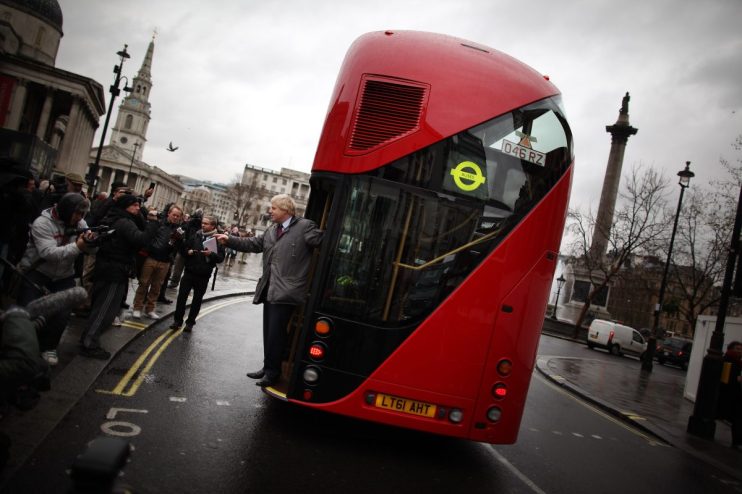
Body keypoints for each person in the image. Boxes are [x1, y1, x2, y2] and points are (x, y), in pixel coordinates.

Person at [215, 194, 323, 387]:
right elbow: (253, 244)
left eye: (273, 208)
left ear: (285, 209)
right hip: (269, 288)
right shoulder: (272, 229)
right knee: (269, 332)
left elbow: (323, 241)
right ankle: (267, 367)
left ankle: (273, 372)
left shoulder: (305, 227)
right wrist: (228, 240)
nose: (270, 211)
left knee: (276, 334)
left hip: (287, 291)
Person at [16, 193, 96, 365]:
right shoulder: (42, 224)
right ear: (66, 210)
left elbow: (89, 250)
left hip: (63, 275)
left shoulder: (80, 223)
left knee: (62, 314)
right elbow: (49, 253)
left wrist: (92, 244)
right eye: (77, 214)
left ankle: (49, 347)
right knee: (28, 312)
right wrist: (78, 246)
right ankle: (21, 350)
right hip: (38, 272)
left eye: (83, 215)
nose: (80, 219)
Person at [79, 194, 156, 359]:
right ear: (125, 206)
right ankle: (89, 343)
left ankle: (89, 340)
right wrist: (153, 224)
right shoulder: (124, 222)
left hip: (108, 267)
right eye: (134, 205)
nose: (137, 208)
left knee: (101, 307)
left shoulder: (115, 218)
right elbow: (141, 239)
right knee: (105, 309)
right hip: (114, 270)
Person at [171, 215, 224, 332]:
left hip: (203, 275)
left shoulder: (218, 239)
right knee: (181, 297)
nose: (203, 225)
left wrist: (210, 254)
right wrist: (187, 252)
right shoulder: (196, 235)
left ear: (213, 226)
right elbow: (184, 249)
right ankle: (177, 321)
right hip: (189, 271)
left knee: (197, 300)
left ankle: (190, 323)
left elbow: (220, 258)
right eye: (202, 223)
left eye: (206, 223)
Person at [131, 205, 183, 319]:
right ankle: (137, 307)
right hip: (151, 258)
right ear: (169, 213)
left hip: (165, 261)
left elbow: (178, 248)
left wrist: (179, 241)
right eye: (173, 215)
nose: (175, 217)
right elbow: (148, 236)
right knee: (144, 284)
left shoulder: (179, 230)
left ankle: (150, 309)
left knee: (156, 287)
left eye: (178, 216)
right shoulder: (159, 223)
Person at [718, 341, 742, 451]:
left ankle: (737, 442)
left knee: (737, 419)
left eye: (740, 349)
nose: (739, 351)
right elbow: (725, 378)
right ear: (731, 349)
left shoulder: (737, 361)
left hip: (734, 395)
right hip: (729, 395)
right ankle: (737, 443)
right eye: (737, 349)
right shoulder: (728, 360)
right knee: (737, 418)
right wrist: (736, 379)